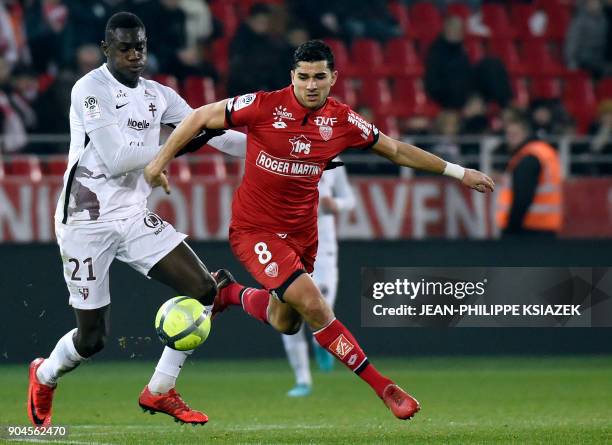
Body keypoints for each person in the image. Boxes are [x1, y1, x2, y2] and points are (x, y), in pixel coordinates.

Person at [145, 40, 495, 420]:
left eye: (319, 77)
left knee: (286, 321)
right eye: (304, 77)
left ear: (333, 79)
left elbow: (394, 150)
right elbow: (199, 117)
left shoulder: (342, 121)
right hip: (255, 230)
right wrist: (160, 162)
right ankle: (385, 388)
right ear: (292, 77)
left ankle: (229, 293)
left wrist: (460, 173)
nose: (311, 85)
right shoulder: (262, 106)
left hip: (302, 234)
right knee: (314, 305)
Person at [26, 12, 247, 427]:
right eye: (124, 47)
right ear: (107, 49)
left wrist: (283, 152)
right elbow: (116, 158)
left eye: (139, 47)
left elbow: (215, 133)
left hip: (130, 214)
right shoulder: (89, 89)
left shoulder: (157, 95)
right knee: (93, 339)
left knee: (203, 289)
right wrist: (181, 143)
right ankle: (44, 374)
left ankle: (160, 390)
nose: (133, 54)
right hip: (84, 220)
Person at [281, 160, 355, 397]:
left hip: (323, 248)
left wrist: (337, 204)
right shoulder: (285, 157)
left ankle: (318, 341)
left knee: (320, 308)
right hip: (288, 245)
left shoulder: (333, 158)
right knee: (288, 311)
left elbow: (350, 199)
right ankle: (302, 379)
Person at [496, 114, 563, 238]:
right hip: (547, 227)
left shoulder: (528, 158)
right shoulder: (545, 152)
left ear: (525, 133)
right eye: (508, 134)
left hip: (528, 229)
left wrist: (511, 229)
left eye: (514, 134)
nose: (510, 139)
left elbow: (522, 198)